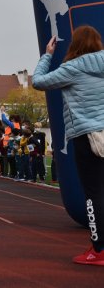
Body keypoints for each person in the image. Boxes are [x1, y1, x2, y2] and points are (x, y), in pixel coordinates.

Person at [32, 27, 104, 265]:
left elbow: (39, 82)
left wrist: (47, 55)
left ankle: (99, 249)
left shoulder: (72, 68)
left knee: (93, 193)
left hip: (87, 136)